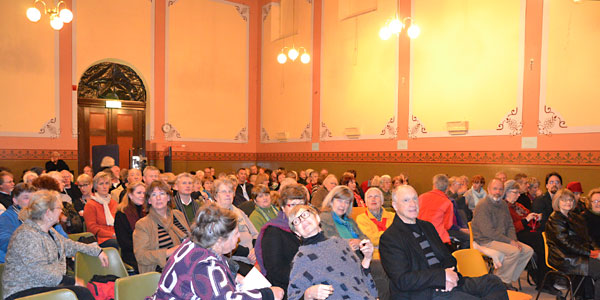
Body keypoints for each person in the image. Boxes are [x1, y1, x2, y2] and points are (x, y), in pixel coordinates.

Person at [379, 185, 508, 299]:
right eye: (406, 200)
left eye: (415, 199)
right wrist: (440, 278)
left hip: (447, 281)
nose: (412, 204)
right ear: (395, 206)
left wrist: (450, 275)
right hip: (423, 291)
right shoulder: (390, 238)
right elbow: (403, 280)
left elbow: (447, 257)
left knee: (493, 282)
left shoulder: (427, 226)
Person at [148, 203, 283, 299]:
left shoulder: (192, 244)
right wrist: (268, 294)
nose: (238, 238)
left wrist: (235, 276)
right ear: (220, 239)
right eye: (235, 234)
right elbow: (225, 298)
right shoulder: (205, 265)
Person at [2, 190, 108, 300]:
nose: (62, 211)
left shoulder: (49, 231)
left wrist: (96, 251)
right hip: (23, 291)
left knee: (80, 292)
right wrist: (72, 281)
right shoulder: (26, 235)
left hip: (44, 286)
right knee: (81, 293)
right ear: (48, 213)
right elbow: (41, 272)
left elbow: (68, 245)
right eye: (59, 208)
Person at [287, 205, 378, 300]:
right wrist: (308, 294)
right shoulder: (301, 259)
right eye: (296, 221)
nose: (302, 220)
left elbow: (361, 278)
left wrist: (367, 258)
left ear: (317, 218)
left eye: (305, 214)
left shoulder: (340, 243)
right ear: (297, 233)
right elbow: (293, 297)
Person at [471, 178, 534, 290]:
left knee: (528, 251)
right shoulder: (483, 205)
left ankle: (506, 279)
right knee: (514, 251)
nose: (498, 192)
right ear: (489, 189)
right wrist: (510, 242)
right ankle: (502, 282)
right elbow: (488, 232)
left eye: (500, 189)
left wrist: (514, 240)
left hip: (500, 239)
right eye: (495, 189)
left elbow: (510, 225)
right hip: (486, 240)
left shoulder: (503, 205)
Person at [255, 184, 308, 299]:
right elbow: (275, 271)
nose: (297, 209)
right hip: (285, 288)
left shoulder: (308, 228)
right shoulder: (273, 231)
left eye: (301, 204)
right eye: (292, 205)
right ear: (283, 207)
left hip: (305, 281)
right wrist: (306, 279)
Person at [546, 188, 600, 299]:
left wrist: (597, 250)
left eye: (570, 200)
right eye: (564, 200)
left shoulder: (574, 216)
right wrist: (591, 253)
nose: (568, 202)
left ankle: (587, 296)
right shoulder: (555, 219)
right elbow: (567, 245)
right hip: (564, 257)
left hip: (577, 253)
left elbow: (587, 237)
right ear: (557, 202)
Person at [503, 180, 554, 293]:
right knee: (540, 242)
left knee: (544, 239)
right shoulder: (503, 207)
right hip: (513, 236)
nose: (518, 195)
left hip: (524, 233)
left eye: (518, 192)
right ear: (506, 192)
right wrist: (526, 220)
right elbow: (509, 229)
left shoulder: (517, 206)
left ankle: (545, 278)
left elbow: (528, 219)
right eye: (515, 192)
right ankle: (543, 280)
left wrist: (535, 218)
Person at [0, 183, 68, 263]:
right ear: (15, 200)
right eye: (26, 198)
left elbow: (63, 238)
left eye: (34, 198)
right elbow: (6, 243)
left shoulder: (43, 214)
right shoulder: (6, 217)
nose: (31, 202)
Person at [133, 181, 189, 273]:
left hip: (185, 264)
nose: (158, 198)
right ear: (149, 200)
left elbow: (190, 239)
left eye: (162, 194)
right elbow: (141, 256)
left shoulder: (178, 215)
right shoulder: (143, 224)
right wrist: (170, 252)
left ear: (168, 198)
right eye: (154, 195)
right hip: (161, 271)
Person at [213, 178, 258, 275]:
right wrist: (248, 253)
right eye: (224, 191)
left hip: (252, 256)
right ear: (216, 196)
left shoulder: (238, 211)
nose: (228, 194)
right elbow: (221, 243)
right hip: (233, 259)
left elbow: (255, 233)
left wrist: (255, 250)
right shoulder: (213, 214)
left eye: (230, 191)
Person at [114, 182, 147, 273]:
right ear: (130, 195)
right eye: (139, 193)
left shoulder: (147, 211)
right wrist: (142, 248)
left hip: (148, 250)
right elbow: (124, 242)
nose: (142, 196)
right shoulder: (121, 214)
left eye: (144, 193)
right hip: (131, 252)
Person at [356, 187, 395, 259]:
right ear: (366, 202)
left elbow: (400, 237)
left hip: (395, 253)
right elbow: (370, 239)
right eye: (370, 197)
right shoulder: (361, 219)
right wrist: (391, 236)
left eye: (376, 196)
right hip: (374, 257)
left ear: (382, 201)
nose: (373, 199)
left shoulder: (393, 217)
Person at [84, 171, 119, 248]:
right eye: (101, 184)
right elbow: (92, 228)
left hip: (116, 235)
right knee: (118, 243)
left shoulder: (114, 203)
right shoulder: (90, 204)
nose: (104, 186)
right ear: (96, 187)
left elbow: (119, 223)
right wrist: (112, 234)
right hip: (100, 239)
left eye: (106, 183)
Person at [418, 174, 454, 246]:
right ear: (447, 188)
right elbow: (447, 225)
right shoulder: (447, 203)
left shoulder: (421, 197)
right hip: (438, 239)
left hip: (420, 237)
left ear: (434, 185)